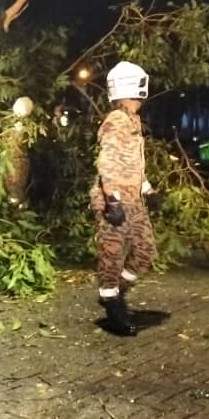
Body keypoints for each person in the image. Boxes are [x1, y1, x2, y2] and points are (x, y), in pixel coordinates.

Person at [90, 61, 160, 336]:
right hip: (115, 200)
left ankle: (116, 291)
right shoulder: (117, 120)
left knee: (145, 250)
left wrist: (147, 189)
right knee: (112, 253)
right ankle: (111, 302)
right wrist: (113, 200)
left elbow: (132, 163)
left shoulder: (132, 119)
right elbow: (106, 163)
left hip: (133, 199)